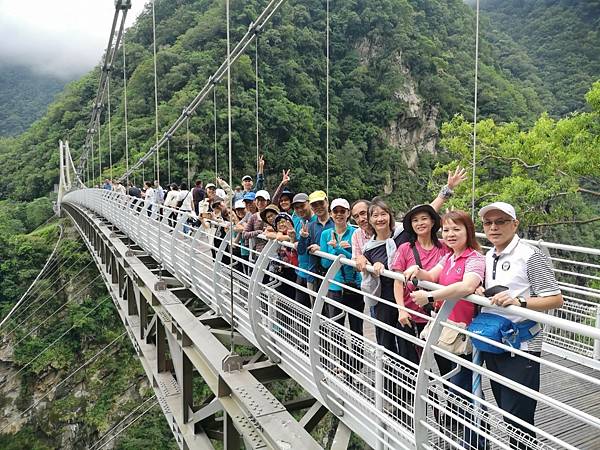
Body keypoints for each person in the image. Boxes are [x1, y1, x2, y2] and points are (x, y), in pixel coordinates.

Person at [477, 202, 563, 448]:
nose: (493, 227)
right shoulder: (489, 254)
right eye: (488, 223)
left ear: (515, 224)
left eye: (500, 222)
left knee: (519, 418)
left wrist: (520, 301)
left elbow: (556, 298)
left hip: (521, 347)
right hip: (495, 342)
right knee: (506, 411)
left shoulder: (529, 256)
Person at [406, 210, 486, 448]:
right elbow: (431, 274)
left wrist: (430, 295)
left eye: (456, 229)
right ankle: (467, 438)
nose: (450, 234)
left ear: (468, 231)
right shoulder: (449, 257)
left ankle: (477, 442)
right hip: (446, 330)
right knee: (453, 387)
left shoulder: (475, 258)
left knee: (466, 391)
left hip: (465, 333)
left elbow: (467, 286)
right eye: (447, 229)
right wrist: (416, 271)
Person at [391, 204, 450, 354]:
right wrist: (401, 310)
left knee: (443, 363)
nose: (420, 223)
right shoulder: (405, 248)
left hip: (439, 315)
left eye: (424, 219)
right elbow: (398, 281)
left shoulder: (445, 247)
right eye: (415, 220)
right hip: (411, 315)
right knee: (411, 364)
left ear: (432, 222)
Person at [320, 198, 363, 376]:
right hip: (335, 286)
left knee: (356, 327)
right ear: (331, 213)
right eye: (335, 211)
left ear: (348, 214)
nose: (339, 214)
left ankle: (357, 364)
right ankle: (345, 363)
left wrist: (340, 250)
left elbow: (357, 261)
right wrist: (334, 250)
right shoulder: (325, 234)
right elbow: (324, 262)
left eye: (342, 211)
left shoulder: (356, 233)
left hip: (354, 285)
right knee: (337, 326)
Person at [297, 190, 334, 292]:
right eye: (314, 205)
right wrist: (303, 238)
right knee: (315, 307)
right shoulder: (310, 226)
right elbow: (301, 251)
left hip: (333, 276)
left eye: (321, 203)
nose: (318, 207)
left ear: (327, 202)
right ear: (311, 207)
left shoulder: (336, 224)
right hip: (314, 275)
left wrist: (321, 250)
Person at [292, 193, 318, 308]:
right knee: (301, 310)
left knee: (315, 310)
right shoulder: (298, 221)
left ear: (309, 204)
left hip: (314, 274)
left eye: (302, 206)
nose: (300, 210)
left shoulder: (317, 220)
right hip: (300, 271)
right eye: (296, 208)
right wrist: (293, 239)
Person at [243, 189, 271, 257]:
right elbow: (245, 234)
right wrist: (258, 232)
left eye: (262, 200)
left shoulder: (272, 215)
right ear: (255, 201)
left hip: (271, 252)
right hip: (259, 252)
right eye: (258, 200)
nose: (260, 202)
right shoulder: (254, 217)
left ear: (268, 202)